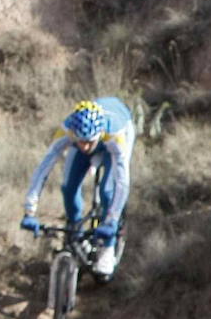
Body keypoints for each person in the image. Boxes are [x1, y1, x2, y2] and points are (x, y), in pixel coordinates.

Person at [19, 97, 134, 279]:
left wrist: (112, 220)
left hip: (118, 130)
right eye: (81, 141)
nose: (85, 146)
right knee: (68, 187)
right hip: (93, 135)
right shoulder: (66, 130)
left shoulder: (115, 133)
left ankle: (108, 247)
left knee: (107, 191)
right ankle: (76, 234)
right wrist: (29, 211)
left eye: (89, 142)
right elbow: (44, 166)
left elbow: (122, 181)